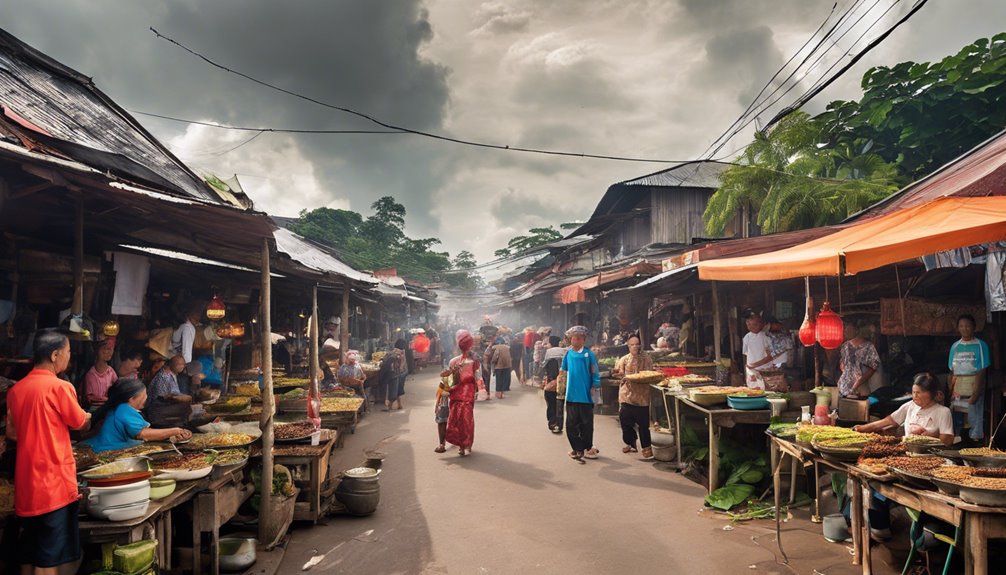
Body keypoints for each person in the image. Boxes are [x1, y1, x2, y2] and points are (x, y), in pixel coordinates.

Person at [6, 330, 91, 574]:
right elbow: (79, 423)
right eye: (68, 352)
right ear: (55, 355)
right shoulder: (60, 387)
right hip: (54, 485)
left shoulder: (16, 390)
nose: (69, 358)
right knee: (49, 562)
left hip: (26, 486)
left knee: (29, 556)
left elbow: (13, 433)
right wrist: (87, 416)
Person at [853, 373, 953, 539]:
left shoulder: (943, 412)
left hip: (928, 464)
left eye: (920, 393)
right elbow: (888, 421)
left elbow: (948, 439)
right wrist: (863, 428)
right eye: (913, 392)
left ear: (932, 393)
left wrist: (929, 434)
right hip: (905, 460)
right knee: (875, 486)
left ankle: (920, 536)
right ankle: (880, 529)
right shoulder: (910, 407)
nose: (915, 396)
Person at [85, 378, 191, 452]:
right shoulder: (123, 409)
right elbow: (142, 434)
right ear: (132, 399)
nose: (146, 397)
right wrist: (175, 431)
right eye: (144, 395)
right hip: (109, 452)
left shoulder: (119, 408)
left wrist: (173, 433)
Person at [561, 326, 601, 463]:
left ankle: (587, 447)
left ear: (584, 339)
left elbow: (595, 371)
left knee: (587, 424)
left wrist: (595, 385)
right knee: (570, 425)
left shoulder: (589, 354)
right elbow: (563, 371)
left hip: (586, 396)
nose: (576, 340)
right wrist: (560, 387)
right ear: (570, 339)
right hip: (571, 395)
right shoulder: (568, 354)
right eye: (573, 338)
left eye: (579, 338)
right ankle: (578, 447)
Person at [948, 314, 990, 443]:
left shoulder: (981, 345)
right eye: (961, 326)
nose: (964, 328)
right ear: (958, 328)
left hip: (973, 383)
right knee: (958, 417)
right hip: (958, 385)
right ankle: (959, 442)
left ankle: (974, 443)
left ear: (973, 327)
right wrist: (951, 389)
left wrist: (976, 392)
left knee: (974, 416)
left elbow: (982, 370)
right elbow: (952, 370)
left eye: (967, 325)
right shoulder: (955, 346)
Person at [613, 336, 656, 460]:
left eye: (637, 344)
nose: (635, 346)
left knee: (643, 424)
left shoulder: (647, 359)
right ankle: (631, 444)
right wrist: (618, 373)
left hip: (642, 396)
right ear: (628, 346)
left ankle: (646, 448)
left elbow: (650, 374)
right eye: (632, 344)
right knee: (625, 422)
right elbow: (619, 373)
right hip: (626, 395)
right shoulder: (624, 359)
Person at [443, 330, 484, 456]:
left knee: (456, 419)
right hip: (468, 395)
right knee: (467, 420)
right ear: (470, 345)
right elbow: (478, 377)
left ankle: (461, 445)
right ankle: (467, 444)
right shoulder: (474, 362)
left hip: (455, 395)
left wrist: (445, 389)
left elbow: (448, 381)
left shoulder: (453, 361)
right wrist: (480, 390)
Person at [145, 355, 193, 427]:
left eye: (183, 364)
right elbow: (161, 398)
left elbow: (175, 393)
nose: (182, 366)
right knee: (187, 407)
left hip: (164, 406)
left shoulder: (172, 374)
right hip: (156, 409)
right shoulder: (164, 376)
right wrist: (179, 398)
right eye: (179, 364)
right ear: (171, 364)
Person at [838, 321, 880, 398]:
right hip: (844, 388)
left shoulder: (868, 346)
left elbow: (873, 367)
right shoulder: (845, 346)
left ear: (856, 330)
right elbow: (843, 364)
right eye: (845, 329)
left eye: (848, 329)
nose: (845, 332)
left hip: (861, 388)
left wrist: (858, 381)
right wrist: (846, 372)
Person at [541, 335, 566, 433]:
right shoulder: (564, 351)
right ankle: (559, 425)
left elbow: (544, 365)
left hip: (553, 379)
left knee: (551, 403)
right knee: (559, 403)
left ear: (551, 343)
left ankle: (552, 423)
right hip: (562, 380)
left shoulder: (549, 352)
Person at [84, 339, 118, 408]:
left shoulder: (111, 372)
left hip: (108, 407)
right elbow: (90, 397)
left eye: (110, 349)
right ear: (97, 351)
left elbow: (117, 389)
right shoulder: (90, 374)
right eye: (104, 349)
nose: (107, 352)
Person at [742, 313, 771, 389]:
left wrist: (755, 364)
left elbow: (770, 356)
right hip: (751, 369)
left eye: (755, 324)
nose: (752, 327)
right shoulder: (746, 337)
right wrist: (750, 365)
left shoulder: (766, 337)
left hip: (764, 368)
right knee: (753, 389)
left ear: (761, 324)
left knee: (765, 388)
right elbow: (746, 353)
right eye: (749, 325)